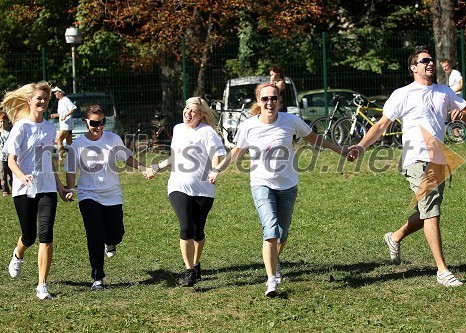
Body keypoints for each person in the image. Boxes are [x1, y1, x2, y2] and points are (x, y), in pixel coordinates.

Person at [347, 49, 466, 287]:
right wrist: (362, 147)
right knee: (432, 212)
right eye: (424, 61)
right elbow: (381, 125)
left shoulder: (444, 91)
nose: (430, 63)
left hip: (438, 158)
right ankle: (442, 271)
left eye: (431, 60)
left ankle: (395, 237)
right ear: (413, 67)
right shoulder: (402, 94)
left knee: (428, 211)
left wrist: (462, 114)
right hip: (416, 159)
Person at [208, 83, 347, 297]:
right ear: (259, 101)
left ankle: (275, 259)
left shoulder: (290, 121)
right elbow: (235, 153)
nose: (269, 103)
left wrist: (341, 151)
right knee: (270, 229)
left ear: (279, 101)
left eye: (273, 98)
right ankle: (271, 280)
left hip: (288, 186)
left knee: (282, 233)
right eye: (265, 99)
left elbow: (315, 139)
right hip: (261, 184)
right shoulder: (249, 126)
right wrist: (218, 169)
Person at [65, 104, 149, 291]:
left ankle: (110, 242)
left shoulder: (113, 139)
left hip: (112, 194)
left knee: (116, 233)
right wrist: (71, 188)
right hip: (88, 195)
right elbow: (71, 170)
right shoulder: (78, 145)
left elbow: (126, 158)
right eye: (95, 123)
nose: (99, 126)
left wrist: (143, 168)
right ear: (85, 122)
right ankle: (97, 278)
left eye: (102, 122)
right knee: (94, 235)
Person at [2, 81, 72, 300]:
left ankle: (42, 285)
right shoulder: (21, 127)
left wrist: (60, 187)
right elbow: (11, 161)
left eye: (46, 99)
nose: (43, 102)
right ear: (29, 100)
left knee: (46, 235)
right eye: (39, 98)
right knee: (29, 235)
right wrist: (22, 177)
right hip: (23, 190)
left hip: (47, 189)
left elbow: (49, 162)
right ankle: (18, 253)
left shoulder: (50, 128)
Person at [146, 97, 226, 287]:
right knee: (186, 227)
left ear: (201, 115)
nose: (188, 113)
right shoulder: (178, 129)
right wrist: (157, 166)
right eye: (186, 109)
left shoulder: (207, 132)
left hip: (204, 189)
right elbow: (176, 157)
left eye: (193, 111)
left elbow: (217, 154)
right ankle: (189, 270)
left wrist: (215, 171)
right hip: (178, 186)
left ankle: (196, 263)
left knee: (198, 231)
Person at [50, 86, 77, 159]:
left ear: (60, 92)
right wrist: (55, 115)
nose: (55, 94)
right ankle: (74, 156)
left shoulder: (66, 100)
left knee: (58, 140)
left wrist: (66, 116)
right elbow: (60, 113)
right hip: (64, 125)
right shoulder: (60, 101)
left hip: (66, 126)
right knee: (69, 143)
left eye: (55, 92)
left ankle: (61, 157)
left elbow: (73, 108)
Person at [0, 111, 13, 196]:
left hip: (10, 156)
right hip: (1, 156)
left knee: (11, 172)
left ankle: (12, 186)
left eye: (4, 121)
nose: (2, 123)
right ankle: (5, 189)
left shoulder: (11, 132)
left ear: (8, 122)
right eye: (0, 122)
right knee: (3, 173)